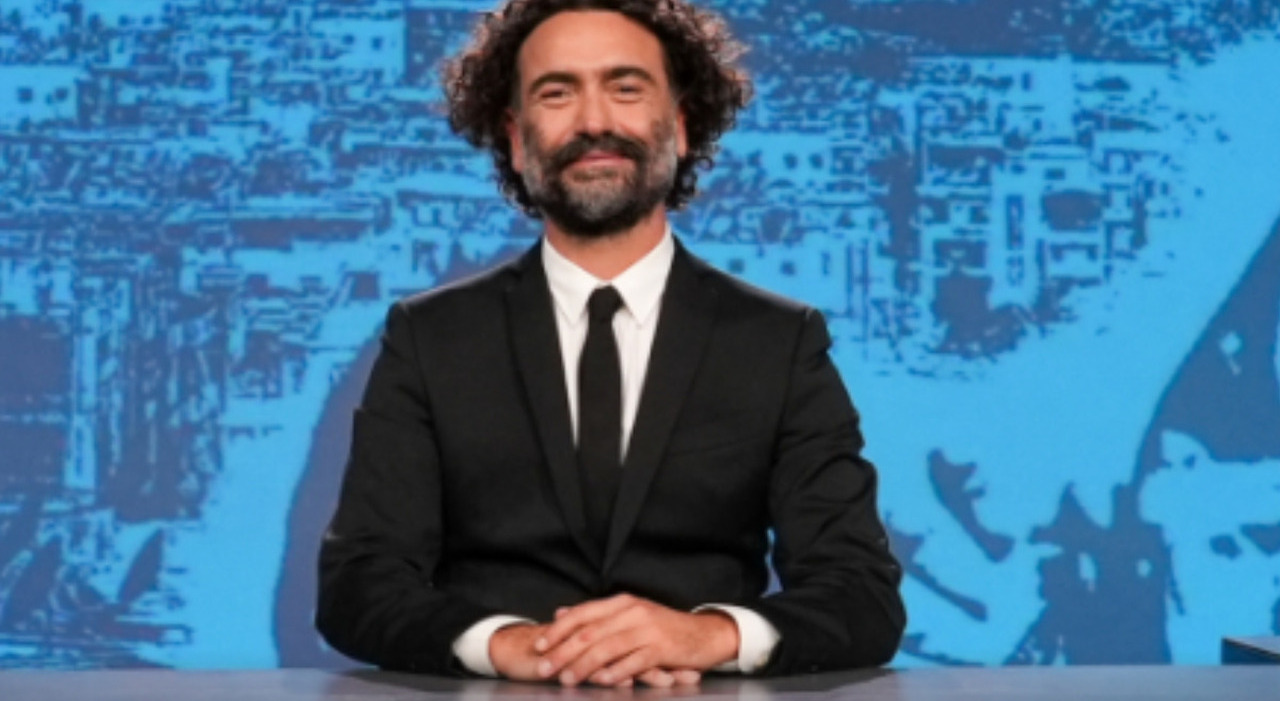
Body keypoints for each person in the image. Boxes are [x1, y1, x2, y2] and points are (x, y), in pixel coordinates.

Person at [315, 0, 905, 686]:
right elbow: (358, 584)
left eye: (625, 88)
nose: (594, 120)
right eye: (556, 93)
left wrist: (707, 635)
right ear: (515, 138)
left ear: (680, 125)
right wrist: (506, 643)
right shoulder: (430, 337)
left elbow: (861, 593)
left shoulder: (779, 341)